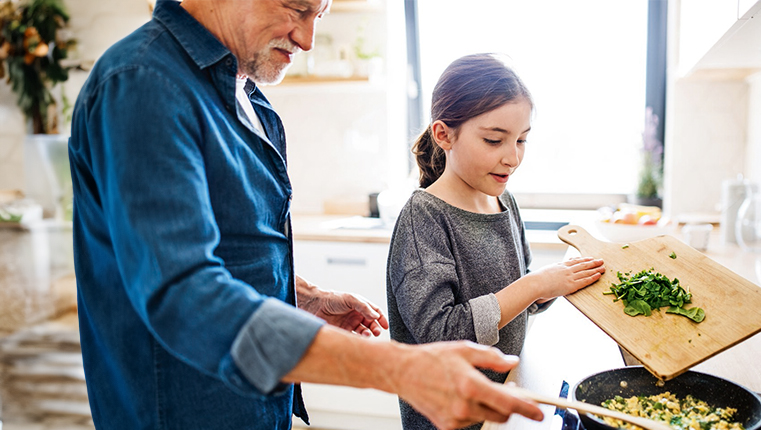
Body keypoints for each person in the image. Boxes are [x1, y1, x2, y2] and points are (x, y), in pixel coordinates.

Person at [67, 1, 544, 429]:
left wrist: (298, 296)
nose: (308, 39)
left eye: (320, 15)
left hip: (254, 408)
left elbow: (214, 255)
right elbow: (183, 294)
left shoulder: (247, 96)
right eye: (297, 9)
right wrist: (398, 368)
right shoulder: (142, 85)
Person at [386, 54, 607, 430]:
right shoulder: (424, 217)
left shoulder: (504, 201)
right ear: (444, 135)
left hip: (500, 401)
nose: (513, 157)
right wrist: (535, 284)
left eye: (522, 140)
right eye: (494, 140)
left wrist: (554, 284)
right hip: (448, 414)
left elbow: (519, 299)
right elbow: (441, 333)